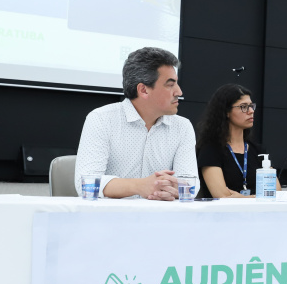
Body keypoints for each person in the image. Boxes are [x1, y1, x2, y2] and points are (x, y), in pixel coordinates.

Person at [74, 47, 198, 199]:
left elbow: (190, 183)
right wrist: (139, 186)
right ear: (144, 90)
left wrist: (171, 187)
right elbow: (86, 183)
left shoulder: (182, 127)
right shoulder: (101, 119)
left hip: (161, 218)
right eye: (170, 84)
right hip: (110, 219)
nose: (179, 92)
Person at [195, 84, 280, 198]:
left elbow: (276, 191)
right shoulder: (210, 150)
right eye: (243, 106)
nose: (251, 111)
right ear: (226, 111)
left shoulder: (258, 150)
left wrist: (242, 197)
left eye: (251, 106)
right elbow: (221, 195)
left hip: (258, 214)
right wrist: (258, 197)